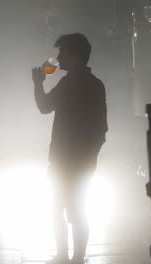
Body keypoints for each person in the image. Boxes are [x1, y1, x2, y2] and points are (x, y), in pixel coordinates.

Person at [31, 33, 108, 264]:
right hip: (74, 160)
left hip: (70, 160)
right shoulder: (89, 84)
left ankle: (68, 256)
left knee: (64, 210)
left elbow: (44, 107)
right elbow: (101, 130)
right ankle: (74, 258)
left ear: (74, 55)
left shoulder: (74, 85)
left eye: (61, 53)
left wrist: (38, 83)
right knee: (71, 211)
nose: (57, 59)